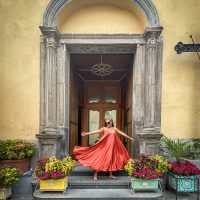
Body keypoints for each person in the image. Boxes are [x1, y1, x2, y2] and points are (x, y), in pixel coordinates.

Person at [73, 116, 134, 181]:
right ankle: (95, 174)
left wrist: (129, 138)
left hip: (113, 147)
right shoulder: (104, 128)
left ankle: (110, 175)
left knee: (112, 160)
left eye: (108, 122)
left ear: (111, 122)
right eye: (106, 123)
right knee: (101, 159)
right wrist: (86, 133)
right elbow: (96, 131)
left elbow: (122, 133)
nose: (107, 124)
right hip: (105, 147)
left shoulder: (114, 129)